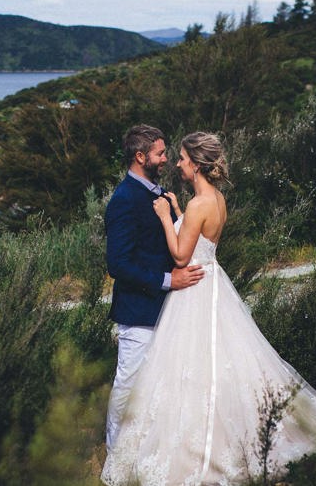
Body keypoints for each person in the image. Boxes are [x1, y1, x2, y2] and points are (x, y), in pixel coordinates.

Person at [101, 132, 316, 485]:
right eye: (163, 154)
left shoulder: (197, 203)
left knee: (194, 371)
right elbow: (131, 258)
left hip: (192, 291)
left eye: (182, 158)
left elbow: (182, 255)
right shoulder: (212, 199)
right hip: (206, 286)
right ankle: (145, 444)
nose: (175, 162)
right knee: (206, 368)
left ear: (198, 164)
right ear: (141, 157)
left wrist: (166, 217)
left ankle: (197, 446)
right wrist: (173, 213)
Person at [104, 124, 206, 452]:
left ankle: (149, 452)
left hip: (166, 310)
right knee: (129, 386)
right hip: (138, 312)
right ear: (140, 156)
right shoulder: (124, 199)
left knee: (161, 386)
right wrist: (168, 281)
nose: (165, 159)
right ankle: (115, 454)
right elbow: (118, 264)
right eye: (160, 153)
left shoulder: (157, 192)